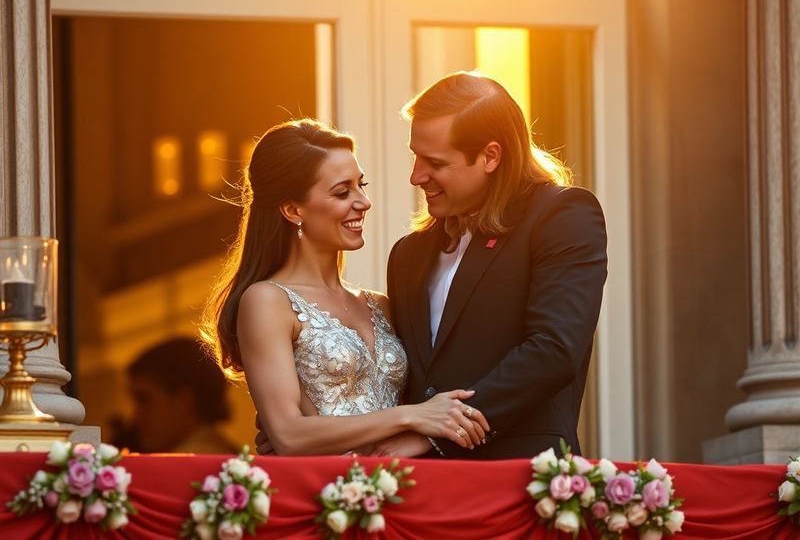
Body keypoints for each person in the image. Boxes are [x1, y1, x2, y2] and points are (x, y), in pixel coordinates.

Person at [200, 119, 490, 455]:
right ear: (293, 209)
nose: (363, 202)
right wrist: (411, 417)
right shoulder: (267, 301)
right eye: (342, 192)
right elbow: (288, 435)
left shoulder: (380, 305)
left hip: (404, 489)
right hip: (324, 495)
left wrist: (422, 432)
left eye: (360, 185)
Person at [375, 71, 607, 459]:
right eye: (415, 155)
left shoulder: (563, 215)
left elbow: (553, 350)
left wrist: (436, 434)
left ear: (490, 156)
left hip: (520, 480)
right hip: (418, 489)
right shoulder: (407, 254)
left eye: (434, 161)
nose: (416, 176)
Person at [123, 336, 239, 454]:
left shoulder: (181, 464)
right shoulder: (228, 457)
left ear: (184, 401)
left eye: (144, 400)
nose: (136, 416)